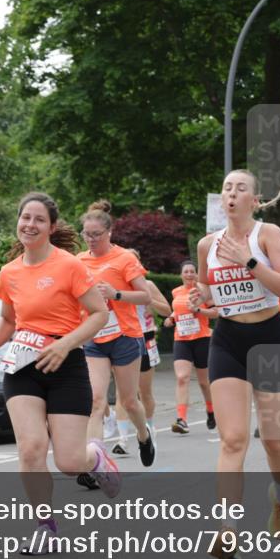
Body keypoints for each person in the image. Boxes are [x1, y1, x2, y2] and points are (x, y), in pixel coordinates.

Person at [0, 192, 120, 552]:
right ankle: (45, 526)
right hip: (22, 366)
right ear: (18, 222)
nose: (30, 224)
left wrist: (65, 344)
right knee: (32, 449)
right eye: (25, 217)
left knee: (69, 462)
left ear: (51, 227)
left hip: (65, 365)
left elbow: (100, 314)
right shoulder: (10, 272)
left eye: (39, 219)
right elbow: (8, 320)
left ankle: (95, 456)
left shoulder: (69, 265)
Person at [189, 171, 280, 559]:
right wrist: (196, 299)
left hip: (271, 338)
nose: (232, 194)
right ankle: (228, 529)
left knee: (272, 439)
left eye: (241, 189)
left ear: (254, 200)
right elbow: (206, 288)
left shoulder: (268, 235)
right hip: (228, 341)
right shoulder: (207, 245)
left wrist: (250, 261)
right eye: (227, 188)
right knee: (233, 440)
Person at [75, 200, 155, 472]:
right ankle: (93, 462)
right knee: (96, 401)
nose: (91, 239)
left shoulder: (124, 258)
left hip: (125, 336)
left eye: (96, 234)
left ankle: (144, 436)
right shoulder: (78, 261)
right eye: (87, 234)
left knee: (130, 401)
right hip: (94, 339)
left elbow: (146, 296)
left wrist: (116, 294)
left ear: (109, 233)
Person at [107, 249, 172, 458]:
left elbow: (167, 311)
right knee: (123, 394)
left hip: (145, 340)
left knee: (144, 392)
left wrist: (147, 300)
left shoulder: (148, 286)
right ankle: (123, 440)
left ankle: (149, 429)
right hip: (123, 338)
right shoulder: (114, 286)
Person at [164, 261, 219, 434]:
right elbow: (178, 311)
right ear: (181, 275)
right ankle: (181, 420)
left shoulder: (204, 292)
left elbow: (217, 312)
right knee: (182, 377)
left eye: (192, 271)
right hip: (181, 339)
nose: (189, 274)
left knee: (204, 382)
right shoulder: (176, 292)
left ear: (196, 274)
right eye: (186, 271)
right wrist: (171, 319)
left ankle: (211, 411)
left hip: (202, 338)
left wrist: (198, 311)